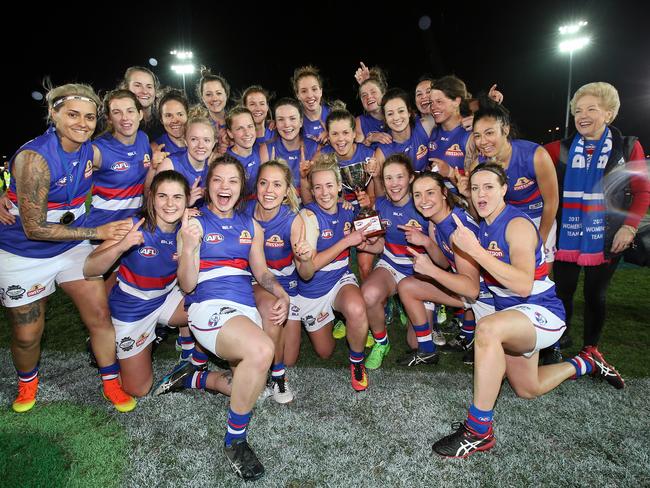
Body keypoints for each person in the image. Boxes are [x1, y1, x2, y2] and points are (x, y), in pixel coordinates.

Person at [431, 163, 623, 459]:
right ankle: (586, 363)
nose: (481, 194)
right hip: (515, 315)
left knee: (488, 329)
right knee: (527, 388)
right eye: (475, 188)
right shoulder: (482, 225)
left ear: (504, 190)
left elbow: (522, 284)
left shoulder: (516, 225)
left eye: (489, 187)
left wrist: (475, 251)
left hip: (542, 312)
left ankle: (478, 431)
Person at [0, 83, 136, 413]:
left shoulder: (90, 149)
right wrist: (98, 231)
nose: (82, 123)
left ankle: (111, 382)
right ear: (54, 114)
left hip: (70, 247)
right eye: (73, 114)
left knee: (101, 316)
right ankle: (27, 382)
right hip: (23, 252)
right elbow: (34, 229)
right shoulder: (35, 157)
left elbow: (130, 163)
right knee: (27, 334)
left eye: (89, 117)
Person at [177, 154, 288, 480]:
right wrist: (188, 246)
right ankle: (234, 440)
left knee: (250, 378)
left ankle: (194, 377)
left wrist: (281, 293)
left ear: (242, 188)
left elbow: (262, 273)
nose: (224, 187)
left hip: (243, 308)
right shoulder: (195, 222)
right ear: (208, 185)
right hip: (207, 306)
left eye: (232, 181)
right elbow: (186, 284)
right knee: (261, 351)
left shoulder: (251, 225)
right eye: (217, 180)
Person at [83, 170, 232, 397]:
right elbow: (90, 268)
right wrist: (121, 246)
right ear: (151, 197)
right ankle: (105, 345)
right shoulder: (133, 226)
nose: (170, 204)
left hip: (165, 298)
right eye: (163, 196)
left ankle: (193, 361)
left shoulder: (189, 227)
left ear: (187, 201)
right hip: (132, 309)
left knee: (212, 306)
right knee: (138, 389)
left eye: (177, 197)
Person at [545, 82, 649, 358]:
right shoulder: (560, 148)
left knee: (595, 295)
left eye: (592, 109)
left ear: (609, 114)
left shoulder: (628, 147)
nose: (583, 115)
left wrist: (629, 227)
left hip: (607, 235)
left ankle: (591, 348)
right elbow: (520, 154)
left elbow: (642, 191)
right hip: (566, 233)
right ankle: (559, 337)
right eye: (578, 110)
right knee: (562, 291)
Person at [296, 154, 383, 391]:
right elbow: (309, 268)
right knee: (325, 352)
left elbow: (376, 244)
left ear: (338, 187)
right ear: (312, 191)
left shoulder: (347, 210)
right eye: (318, 187)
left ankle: (357, 362)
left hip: (340, 280)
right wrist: (346, 242)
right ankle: (333, 318)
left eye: (329, 186)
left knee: (356, 308)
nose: (324, 192)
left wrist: (371, 223)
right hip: (312, 289)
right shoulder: (308, 216)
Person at [401, 171, 495, 365]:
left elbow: (471, 289)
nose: (423, 200)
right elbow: (446, 262)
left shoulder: (456, 229)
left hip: (489, 300)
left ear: (444, 192)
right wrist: (427, 242)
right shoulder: (441, 221)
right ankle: (430, 349)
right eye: (417, 195)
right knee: (407, 286)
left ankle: (472, 333)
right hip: (476, 294)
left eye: (430, 193)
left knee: (408, 287)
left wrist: (431, 271)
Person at [245, 160, 315, 402]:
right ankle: (276, 376)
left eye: (277, 184)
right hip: (251, 280)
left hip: (286, 285)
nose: (268, 190)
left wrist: (305, 259)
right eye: (264, 183)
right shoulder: (244, 211)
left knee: (291, 355)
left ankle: (265, 350)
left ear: (287, 190)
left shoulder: (293, 219)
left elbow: (306, 274)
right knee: (273, 311)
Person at [359, 154, 430, 369]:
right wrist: (366, 246)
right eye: (388, 178)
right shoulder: (380, 204)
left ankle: (418, 306)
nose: (394, 184)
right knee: (369, 294)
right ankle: (382, 342)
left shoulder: (424, 206)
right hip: (392, 264)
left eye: (399, 177)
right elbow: (380, 245)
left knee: (415, 342)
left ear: (410, 178)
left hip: (421, 273)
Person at [467, 100, 558, 263]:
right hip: (503, 221)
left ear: (505, 130)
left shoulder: (536, 155)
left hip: (539, 218)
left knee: (538, 277)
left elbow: (552, 201)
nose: (483, 141)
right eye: (477, 136)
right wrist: (468, 194)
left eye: (489, 133)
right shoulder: (478, 165)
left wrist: (541, 239)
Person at [155, 115, 217, 207]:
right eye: (194, 139)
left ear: (214, 143)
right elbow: (156, 205)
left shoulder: (215, 167)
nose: (200, 145)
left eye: (206, 140)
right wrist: (185, 203)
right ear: (185, 141)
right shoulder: (170, 165)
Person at [373, 88, 435, 178]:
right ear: (385, 119)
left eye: (401, 111)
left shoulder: (425, 126)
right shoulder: (382, 152)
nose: (396, 117)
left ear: (409, 112)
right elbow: (379, 191)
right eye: (390, 114)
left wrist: (463, 120)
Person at [265, 98, 319, 198]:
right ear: (275, 123)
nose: (287, 124)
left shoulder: (315, 148)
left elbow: (318, 193)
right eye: (281, 119)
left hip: (308, 208)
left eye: (292, 118)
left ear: (301, 122)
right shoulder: (266, 149)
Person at [225, 106, 269, 198]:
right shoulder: (226, 161)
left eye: (250, 126)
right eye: (240, 128)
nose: (247, 132)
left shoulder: (261, 149)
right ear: (230, 133)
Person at [120, 66, 163, 140]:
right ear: (126, 88)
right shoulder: (118, 122)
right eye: (137, 85)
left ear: (155, 91)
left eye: (149, 87)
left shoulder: (163, 120)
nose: (145, 91)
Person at [292, 65, 330, 144]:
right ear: (298, 95)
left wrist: (333, 134)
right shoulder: (294, 121)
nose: (310, 95)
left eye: (314, 89)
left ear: (321, 91)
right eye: (304, 91)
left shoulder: (334, 113)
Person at [354, 66, 391, 148]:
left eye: (373, 92)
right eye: (364, 95)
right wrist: (370, 139)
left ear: (383, 93)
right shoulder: (359, 122)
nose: (369, 97)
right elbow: (357, 153)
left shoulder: (396, 113)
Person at [151, 89, 189, 156]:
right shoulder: (155, 149)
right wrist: (152, 166)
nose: (175, 120)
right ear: (161, 120)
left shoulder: (200, 142)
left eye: (180, 114)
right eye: (168, 115)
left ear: (187, 115)